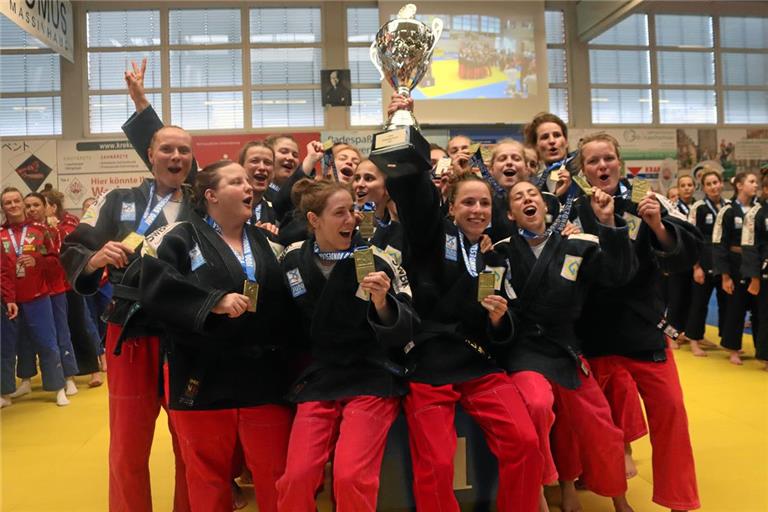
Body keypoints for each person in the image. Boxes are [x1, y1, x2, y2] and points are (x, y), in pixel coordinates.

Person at [385, 159, 542, 511]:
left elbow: (505, 325)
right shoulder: (431, 238)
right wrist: (403, 126)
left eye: (484, 203)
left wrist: (500, 320)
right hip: (430, 367)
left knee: (525, 442)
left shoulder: (495, 258)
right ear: (451, 206)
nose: (477, 210)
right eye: (468, 202)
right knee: (438, 463)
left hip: (479, 366)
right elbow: (416, 203)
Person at [140, 160, 296, 512]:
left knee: (276, 475)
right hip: (202, 376)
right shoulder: (177, 237)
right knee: (208, 479)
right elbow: (155, 289)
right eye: (237, 182)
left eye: (248, 183)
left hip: (262, 379)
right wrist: (212, 302)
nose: (249, 188)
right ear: (211, 195)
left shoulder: (267, 242)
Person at [61, 125, 194, 512]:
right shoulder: (116, 200)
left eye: (183, 151)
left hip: (184, 330)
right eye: (166, 149)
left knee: (190, 440)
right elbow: (75, 243)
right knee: (127, 445)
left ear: (191, 159)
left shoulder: (202, 205)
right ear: (149, 154)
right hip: (129, 331)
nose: (175, 157)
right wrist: (94, 258)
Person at [567, 133, 701, 512]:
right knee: (603, 430)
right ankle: (618, 500)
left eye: (608, 158)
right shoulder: (571, 211)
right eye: (592, 161)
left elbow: (682, 257)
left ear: (620, 162)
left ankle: (680, 500)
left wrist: (657, 225)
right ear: (583, 168)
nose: (602, 166)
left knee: (672, 414)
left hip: (644, 331)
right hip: (594, 334)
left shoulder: (646, 201)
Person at [490, 179, 637, 512]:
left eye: (533, 195)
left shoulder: (577, 244)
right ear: (511, 214)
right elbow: (494, 306)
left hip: (566, 347)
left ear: (545, 207)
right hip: (525, 350)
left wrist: (609, 223)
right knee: (538, 405)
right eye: (518, 197)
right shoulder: (500, 252)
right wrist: (498, 319)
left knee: (601, 424)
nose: (527, 199)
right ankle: (541, 488)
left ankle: (619, 496)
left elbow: (616, 276)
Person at [275, 179, 417, 511]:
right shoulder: (292, 259)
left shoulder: (378, 260)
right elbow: (280, 321)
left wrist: (383, 303)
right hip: (321, 377)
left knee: (351, 476)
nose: (351, 220)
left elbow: (407, 327)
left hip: (371, 375)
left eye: (351, 211)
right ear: (314, 220)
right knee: (296, 477)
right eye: (340, 213)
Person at [0, 187, 70, 406]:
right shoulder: (1, 235)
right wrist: (8, 297)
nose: (12, 206)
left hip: (38, 296)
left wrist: (37, 261)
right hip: (9, 300)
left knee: (48, 343)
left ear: (23, 203)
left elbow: (56, 263)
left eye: (16, 201)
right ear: (3, 208)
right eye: (7, 203)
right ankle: (5, 392)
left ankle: (58, 387)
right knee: (7, 346)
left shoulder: (41, 231)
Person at [17, 192, 80, 396]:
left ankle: (69, 377)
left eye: (36, 205)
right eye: (28, 205)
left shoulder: (54, 231)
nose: (32, 209)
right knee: (24, 335)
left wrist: (38, 261)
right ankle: (26, 378)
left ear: (46, 206)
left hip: (54, 289)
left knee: (60, 332)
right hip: (28, 291)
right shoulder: (17, 232)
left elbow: (59, 262)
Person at [713, 172, 760, 365]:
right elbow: (719, 243)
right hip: (735, 264)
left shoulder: (760, 209)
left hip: (755, 264)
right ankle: (733, 348)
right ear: (739, 185)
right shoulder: (728, 210)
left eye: (756, 182)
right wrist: (725, 276)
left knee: (759, 308)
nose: (755, 185)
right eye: (751, 181)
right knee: (736, 307)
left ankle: (761, 348)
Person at [684, 170, 729, 356]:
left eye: (715, 182)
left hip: (724, 264)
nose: (713, 187)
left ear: (721, 183)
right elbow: (691, 238)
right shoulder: (699, 207)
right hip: (703, 262)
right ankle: (694, 340)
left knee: (726, 302)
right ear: (703, 188)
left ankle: (728, 341)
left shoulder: (728, 206)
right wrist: (696, 267)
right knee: (699, 303)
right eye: (708, 184)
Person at [666, 175, 697, 346]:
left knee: (691, 298)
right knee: (675, 299)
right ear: (678, 188)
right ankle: (671, 335)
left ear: (694, 187)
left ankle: (685, 331)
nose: (687, 188)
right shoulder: (672, 208)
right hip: (677, 258)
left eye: (690, 185)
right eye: (683, 185)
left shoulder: (697, 207)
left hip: (693, 259)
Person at [741, 185, 768, 370]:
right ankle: (765, 355)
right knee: (765, 314)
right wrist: (754, 277)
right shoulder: (755, 213)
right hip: (765, 270)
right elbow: (749, 247)